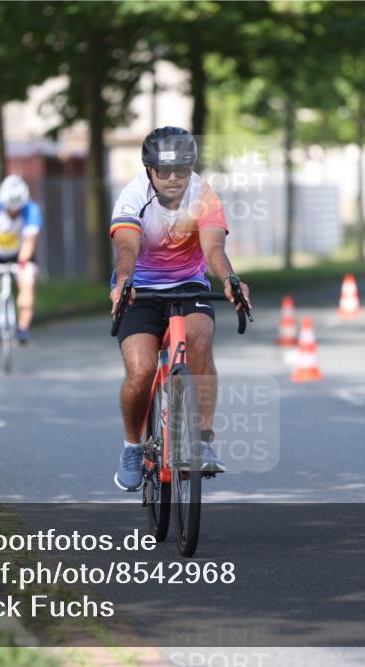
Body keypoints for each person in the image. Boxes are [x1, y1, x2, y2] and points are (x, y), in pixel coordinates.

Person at [109, 126, 251, 492]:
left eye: (182, 171)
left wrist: (229, 280)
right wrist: (124, 281)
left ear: (191, 168)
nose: (173, 179)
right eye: (164, 171)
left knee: (200, 341)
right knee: (140, 372)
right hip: (139, 287)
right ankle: (132, 446)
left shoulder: (203, 194)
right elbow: (126, 248)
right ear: (148, 170)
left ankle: (202, 438)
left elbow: (214, 249)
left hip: (188, 285)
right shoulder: (132, 197)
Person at [0, 175, 42, 346]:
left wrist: (22, 263)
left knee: (27, 281)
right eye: (10, 208)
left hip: (19, 254)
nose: (14, 211)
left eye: (17, 208)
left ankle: (22, 327)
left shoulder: (31, 210)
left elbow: (29, 242)